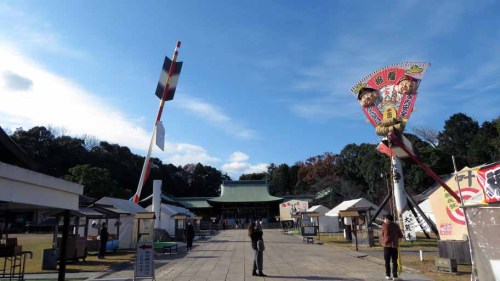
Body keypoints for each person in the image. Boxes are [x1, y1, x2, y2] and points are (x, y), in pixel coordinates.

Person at [380, 214, 403, 280]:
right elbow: (401, 235)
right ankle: (395, 276)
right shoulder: (396, 226)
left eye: (385, 219)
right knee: (394, 261)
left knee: (387, 261)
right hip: (394, 246)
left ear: (387, 219)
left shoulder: (384, 226)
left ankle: (388, 275)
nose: (384, 220)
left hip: (386, 246)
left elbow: (382, 234)